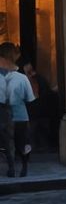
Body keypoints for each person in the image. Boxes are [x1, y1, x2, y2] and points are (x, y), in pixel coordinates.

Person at [0, 43, 32, 175]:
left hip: (6, 113)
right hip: (19, 113)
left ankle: (12, 167)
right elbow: (29, 98)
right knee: (21, 142)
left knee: (9, 141)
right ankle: (23, 167)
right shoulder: (22, 76)